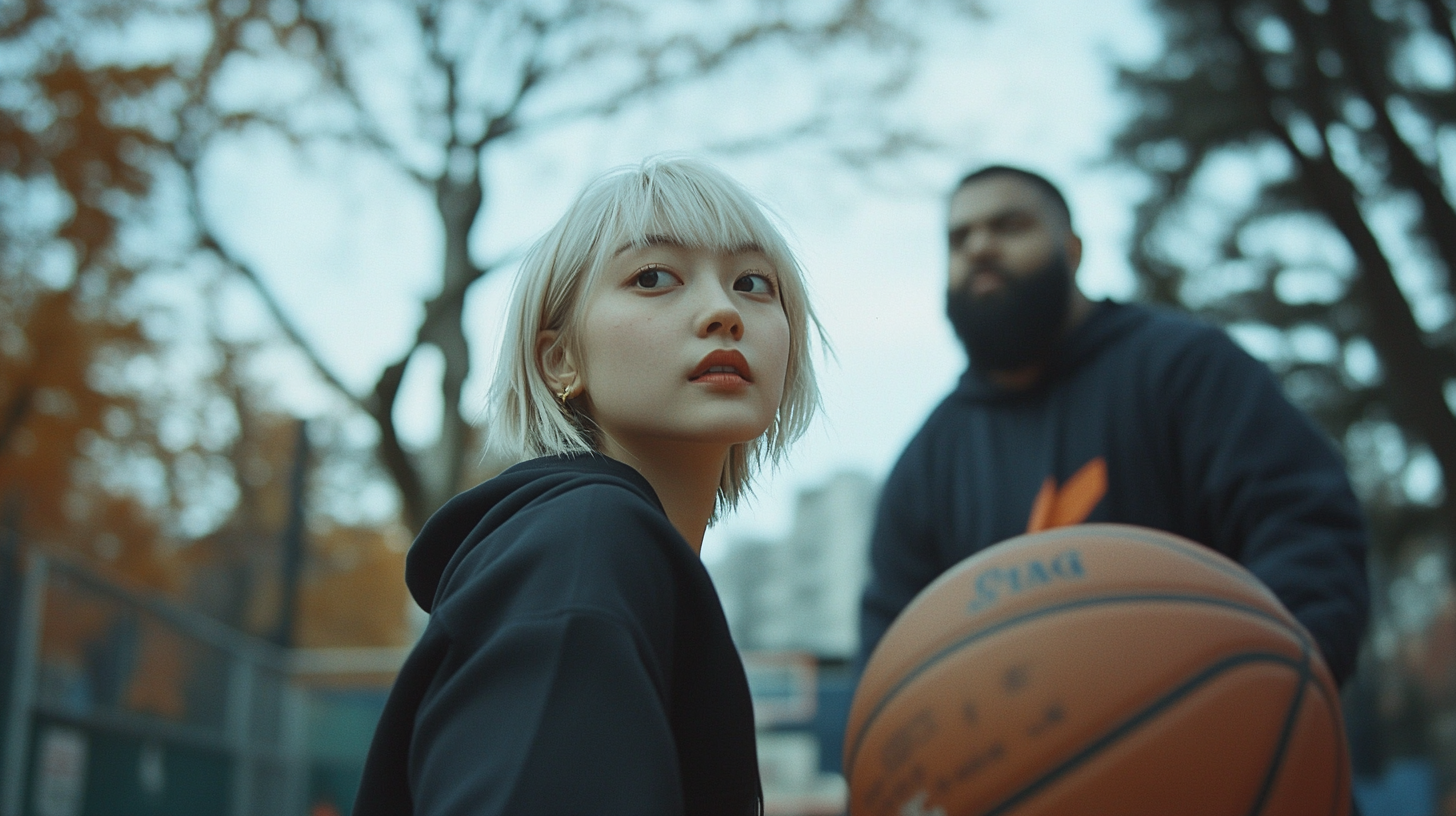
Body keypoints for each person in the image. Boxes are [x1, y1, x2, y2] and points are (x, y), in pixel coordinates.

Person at [354, 155, 823, 815]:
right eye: (654, 276)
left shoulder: (601, 554)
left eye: (753, 282)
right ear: (560, 360)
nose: (723, 311)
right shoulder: (585, 547)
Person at [858, 165, 1369, 688]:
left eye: (1009, 226)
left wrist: (1271, 690)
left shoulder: (1186, 368)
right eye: (958, 238)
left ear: (1073, 250)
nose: (980, 247)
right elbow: (892, 652)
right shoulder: (928, 461)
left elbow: (1302, 528)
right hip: (1017, 763)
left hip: (1217, 740)